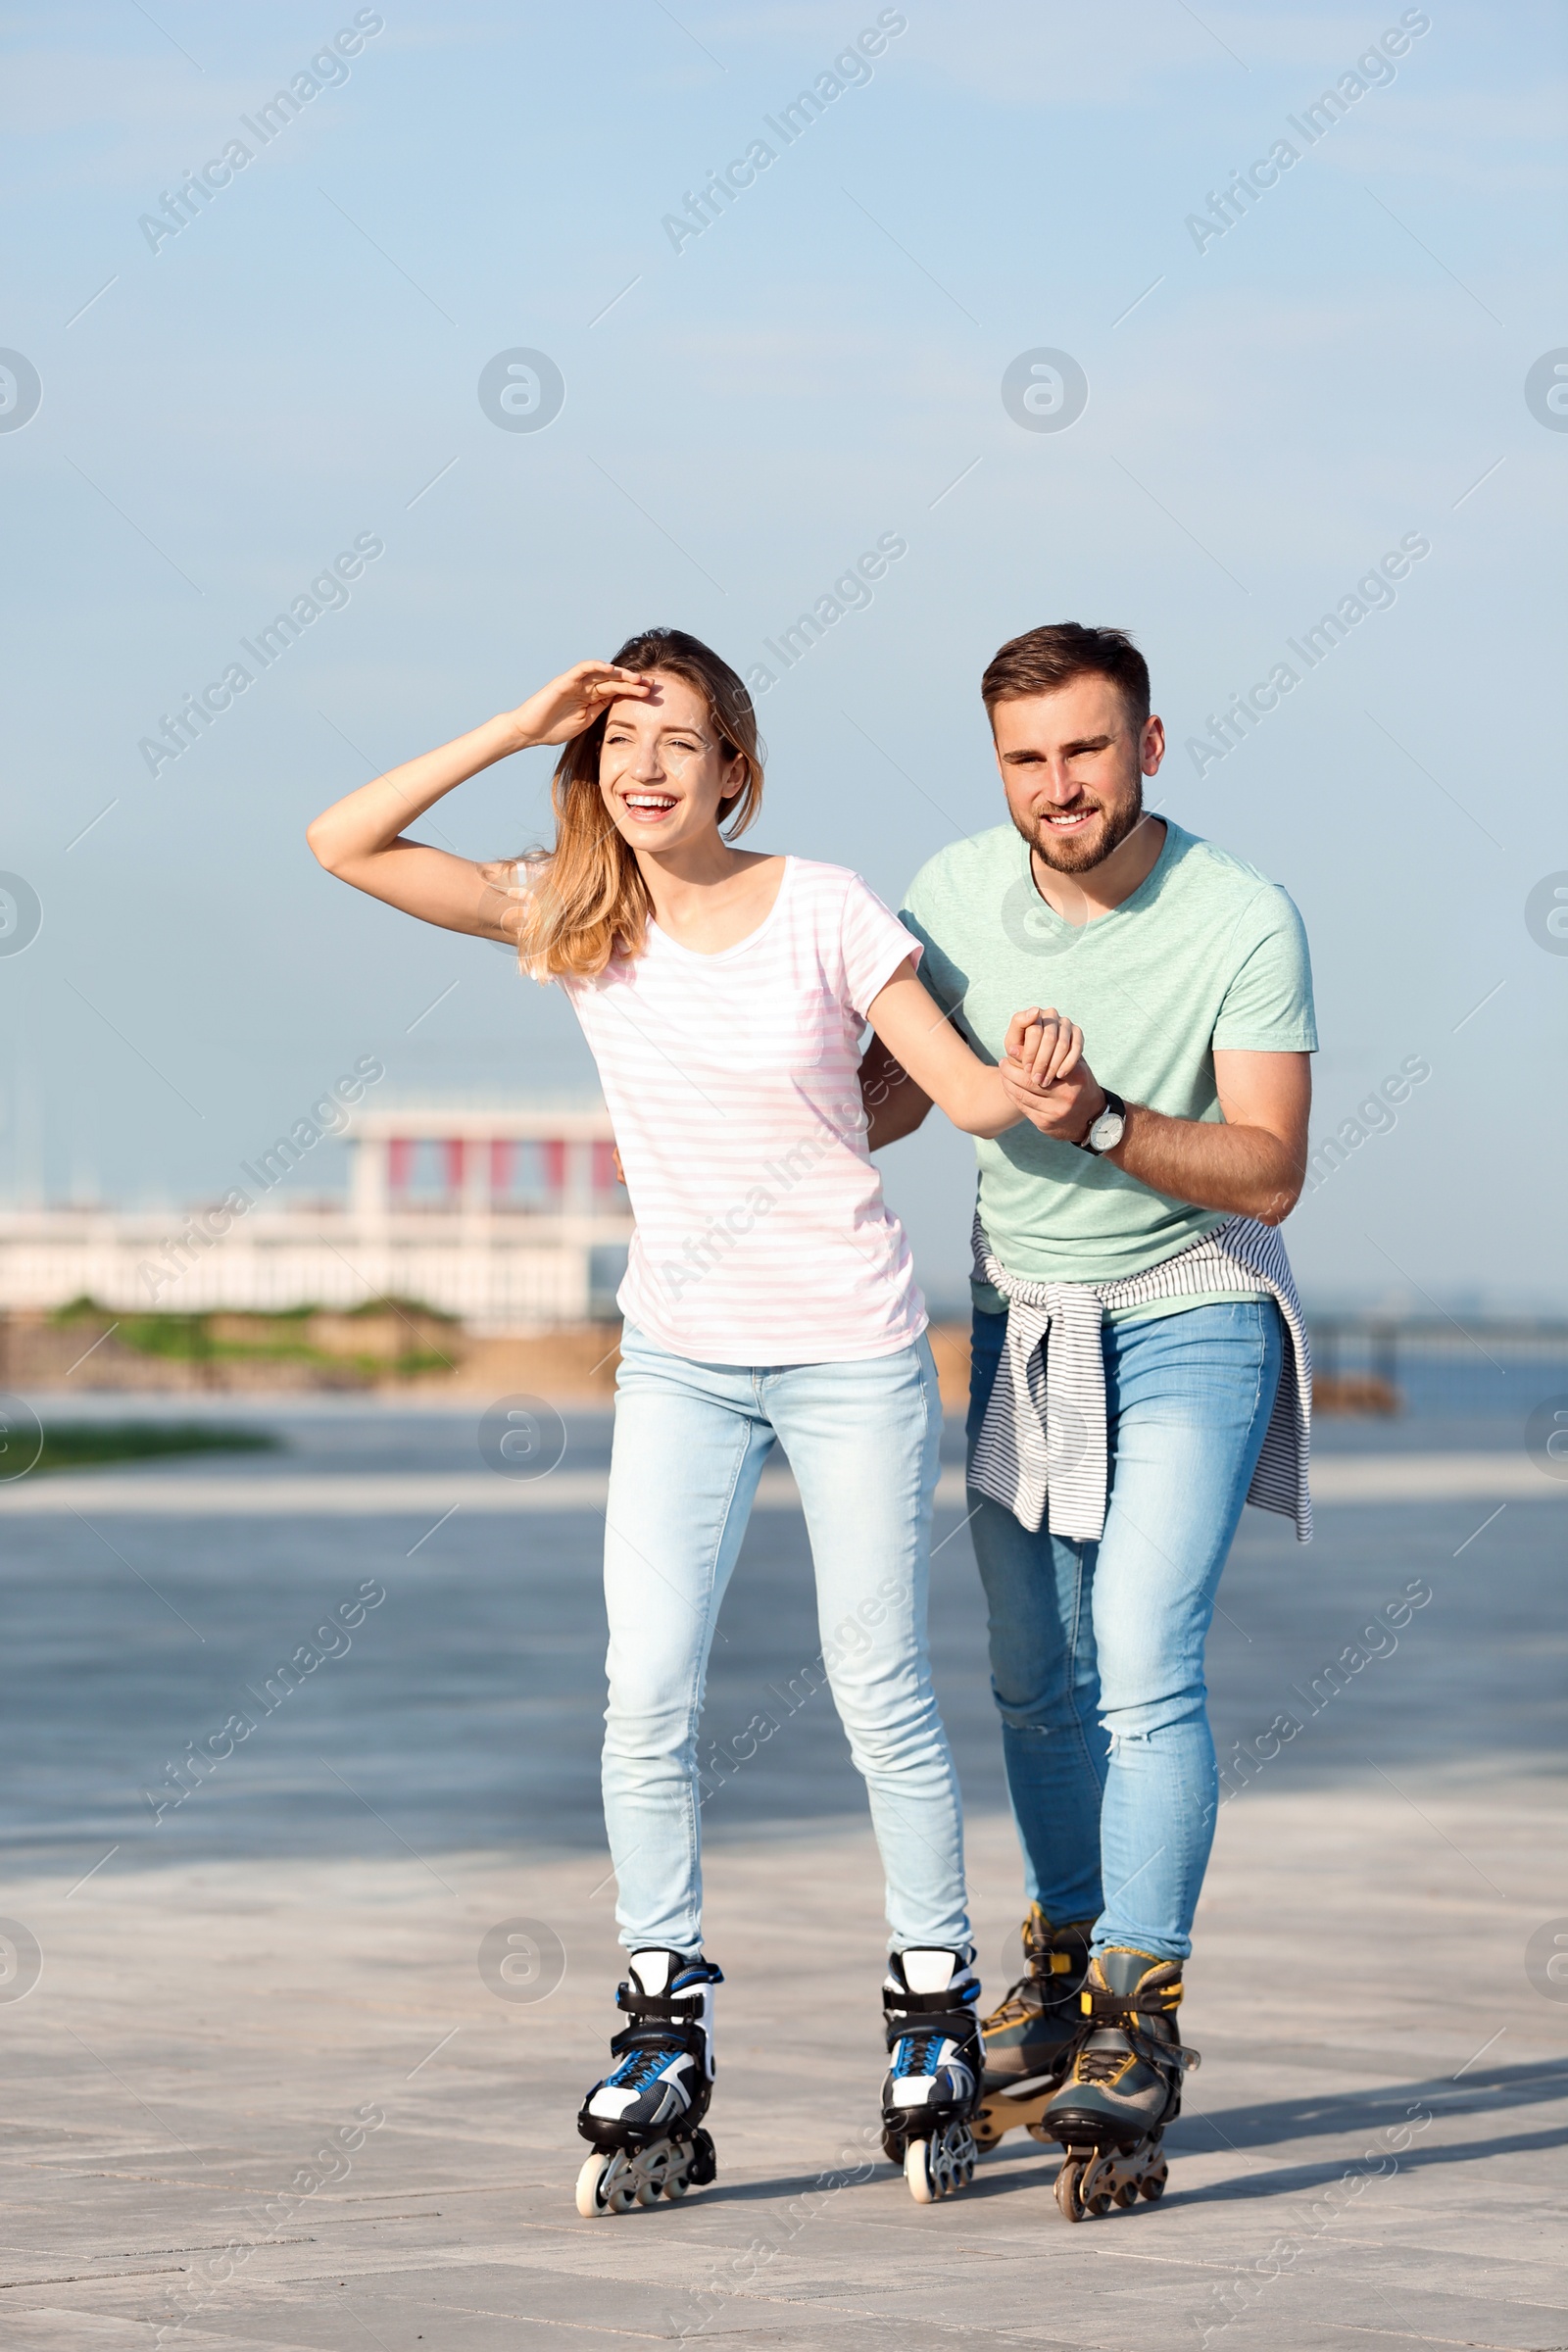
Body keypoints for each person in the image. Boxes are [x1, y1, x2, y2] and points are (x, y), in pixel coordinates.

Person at [305, 627, 1067, 2214]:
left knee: (879, 1693)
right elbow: (343, 843)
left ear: (738, 768)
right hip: (682, 1365)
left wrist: (1041, 1079)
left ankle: (931, 2005)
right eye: (617, 741)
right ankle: (665, 2022)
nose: (645, 767)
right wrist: (519, 722)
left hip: (852, 1353)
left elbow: (958, 1090)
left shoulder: (827, 907)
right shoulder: (578, 916)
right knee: (643, 1691)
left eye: (679, 739)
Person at [859, 621, 1315, 2220]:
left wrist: (1105, 1119)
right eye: (1027, 759)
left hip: (1193, 1301)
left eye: (1088, 750)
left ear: (1151, 746)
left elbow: (1270, 1168)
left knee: (1141, 1644)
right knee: (1030, 1669)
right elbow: (894, 1093)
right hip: (1024, 1317)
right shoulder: (950, 896)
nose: (1059, 787)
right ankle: (1057, 1973)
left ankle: (1140, 2010)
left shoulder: (1244, 914)